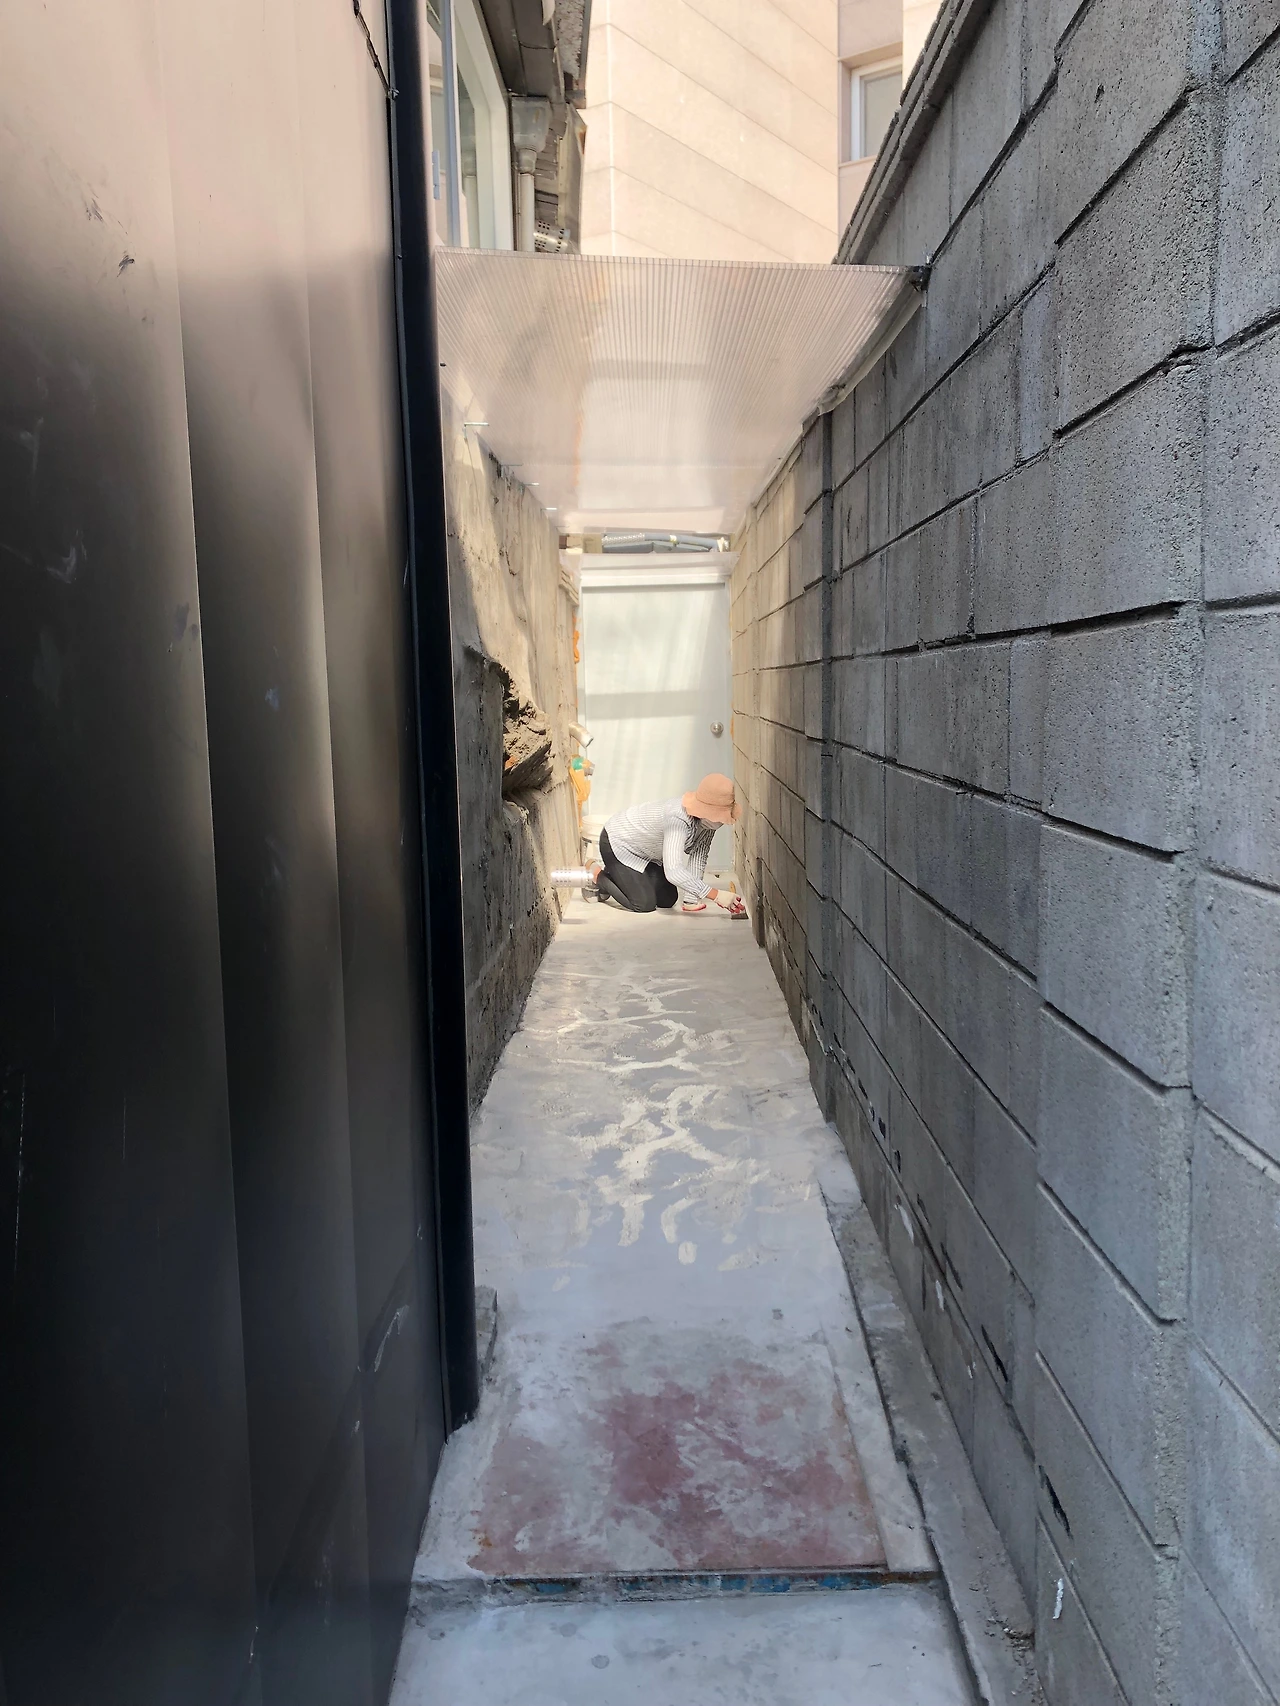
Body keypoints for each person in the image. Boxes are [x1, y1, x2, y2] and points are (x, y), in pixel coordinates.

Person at [589, 774, 747, 915]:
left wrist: (691, 900)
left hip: (646, 853)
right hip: (618, 843)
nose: (722, 822)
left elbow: (699, 856)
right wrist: (717, 895)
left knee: (667, 899)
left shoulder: (708, 823)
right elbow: (674, 871)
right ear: (706, 811)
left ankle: (620, 874)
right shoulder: (677, 819)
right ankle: (597, 875)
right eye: (719, 815)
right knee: (643, 904)